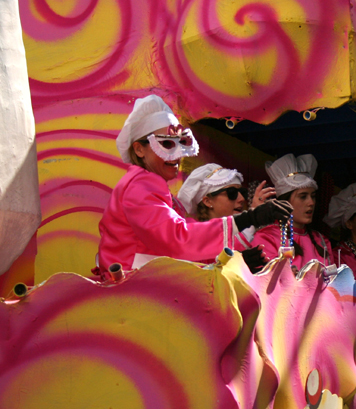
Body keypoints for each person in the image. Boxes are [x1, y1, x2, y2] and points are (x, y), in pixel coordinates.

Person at [97, 95, 291, 276]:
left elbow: (184, 246)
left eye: (181, 143)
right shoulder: (140, 185)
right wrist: (250, 218)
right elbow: (176, 239)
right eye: (166, 145)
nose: (177, 155)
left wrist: (234, 262)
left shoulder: (149, 185)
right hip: (135, 292)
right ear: (139, 149)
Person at [252, 153, 333, 271]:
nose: (311, 202)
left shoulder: (321, 241)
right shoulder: (267, 237)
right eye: (303, 197)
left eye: (313, 196)